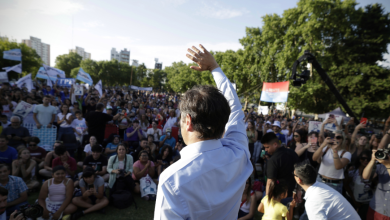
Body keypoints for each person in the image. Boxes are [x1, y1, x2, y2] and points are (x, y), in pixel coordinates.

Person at [154, 45, 252, 219]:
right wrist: (215, 68)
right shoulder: (239, 153)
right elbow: (236, 108)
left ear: (188, 121)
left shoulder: (172, 179)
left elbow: (234, 109)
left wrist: (214, 67)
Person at [293, 162, 360, 220]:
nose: (293, 177)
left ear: (299, 180)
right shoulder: (320, 186)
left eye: (294, 175)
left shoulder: (313, 201)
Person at [261, 132, 299, 205]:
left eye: (267, 147)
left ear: (275, 144)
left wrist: (267, 201)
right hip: (290, 194)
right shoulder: (292, 153)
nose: (265, 150)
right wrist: (298, 190)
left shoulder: (273, 160)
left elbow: (270, 182)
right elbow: (299, 173)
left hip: (276, 197)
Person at [344, 149, 374, 219]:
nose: (365, 160)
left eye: (368, 159)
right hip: (351, 199)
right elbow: (346, 185)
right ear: (359, 159)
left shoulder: (375, 171)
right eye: (363, 158)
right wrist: (354, 200)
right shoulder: (353, 169)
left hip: (366, 202)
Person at [362, 148, 390, 219]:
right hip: (375, 209)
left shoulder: (386, 165)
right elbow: (365, 176)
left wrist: (388, 165)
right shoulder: (382, 166)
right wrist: (372, 160)